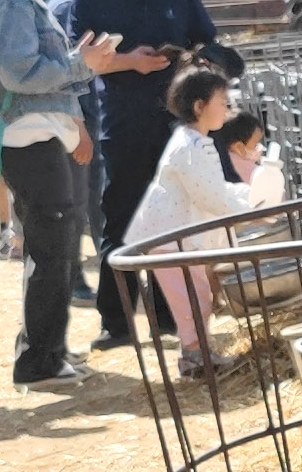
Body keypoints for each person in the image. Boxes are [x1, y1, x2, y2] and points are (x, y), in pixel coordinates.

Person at [52, 0, 221, 351]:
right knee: (121, 221)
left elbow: (208, 45)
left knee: (175, 220)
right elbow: (77, 62)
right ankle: (117, 321)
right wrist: (130, 63)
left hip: (178, 129)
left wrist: (191, 62)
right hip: (122, 125)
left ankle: (170, 317)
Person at [0, 0, 126, 389]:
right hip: (30, 137)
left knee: (54, 247)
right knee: (52, 249)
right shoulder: (13, 1)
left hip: (35, 135)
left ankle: (46, 350)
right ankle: (39, 361)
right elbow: (19, 72)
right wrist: (83, 65)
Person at [117, 69, 286, 348]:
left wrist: (251, 197)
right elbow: (209, 195)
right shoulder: (189, 147)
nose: (228, 109)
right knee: (191, 302)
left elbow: (216, 188)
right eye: (222, 103)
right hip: (168, 238)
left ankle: (199, 354)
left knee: (199, 296)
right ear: (199, 106)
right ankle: (196, 359)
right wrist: (253, 208)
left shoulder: (197, 142)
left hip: (179, 236)